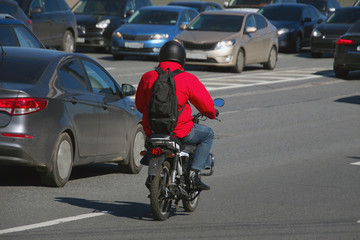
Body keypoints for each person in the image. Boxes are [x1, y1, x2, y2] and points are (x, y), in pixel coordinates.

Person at [135, 40, 217, 191]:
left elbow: (140, 106)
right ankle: (194, 174)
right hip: (179, 131)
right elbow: (206, 106)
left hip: (152, 131)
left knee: (150, 145)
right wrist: (212, 113)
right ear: (181, 58)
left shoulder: (148, 77)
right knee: (208, 135)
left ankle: (153, 171)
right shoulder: (188, 78)